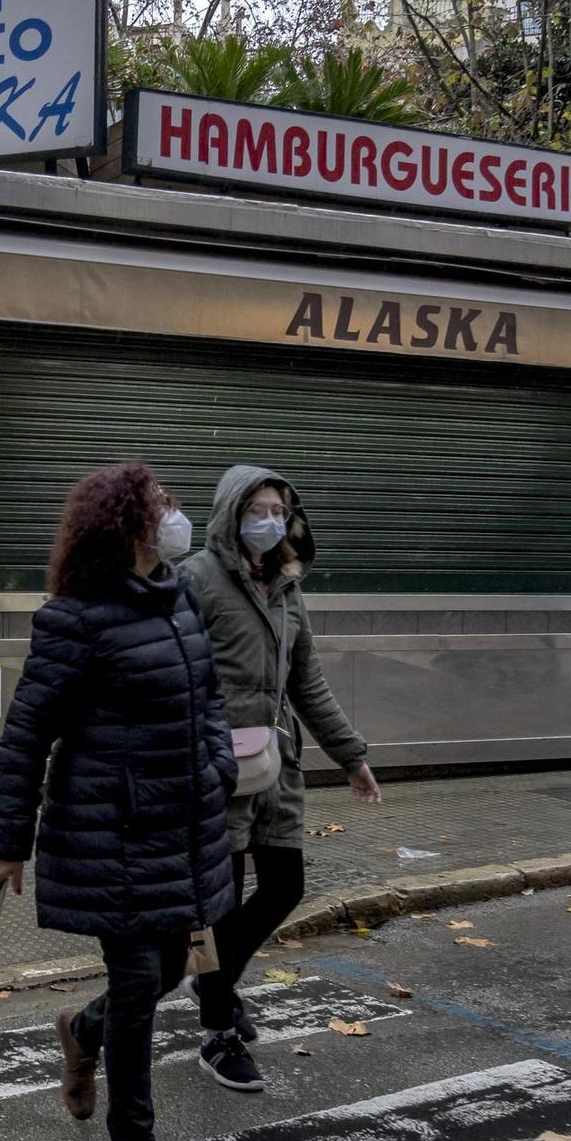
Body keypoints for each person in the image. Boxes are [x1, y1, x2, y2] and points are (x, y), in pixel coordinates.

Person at [0, 461, 235, 1141]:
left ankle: (82, 1031)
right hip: (113, 829)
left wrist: (216, 762)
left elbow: (208, 691)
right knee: (136, 978)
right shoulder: (77, 615)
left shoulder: (178, 594)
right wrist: (5, 843)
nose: (173, 514)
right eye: (160, 504)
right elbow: (27, 732)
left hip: (185, 823)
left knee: (174, 970)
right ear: (126, 524)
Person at [180, 465, 380, 1094]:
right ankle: (218, 1033)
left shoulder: (287, 584)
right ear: (230, 512)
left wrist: (350, 755)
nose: (271, 520)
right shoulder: (195, 579)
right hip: (215, 767)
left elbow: (306, 680)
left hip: (275, 763)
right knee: (219, 903)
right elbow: (167, 673)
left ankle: (210, 980)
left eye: (280, 509)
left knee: (285, 886)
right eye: (258, 508)